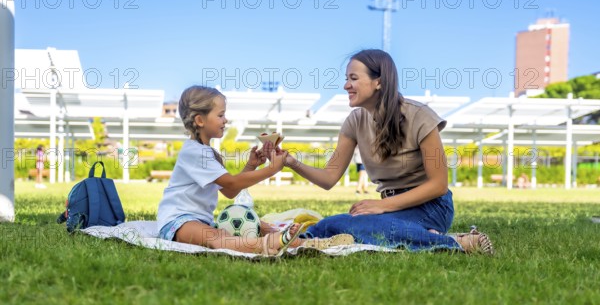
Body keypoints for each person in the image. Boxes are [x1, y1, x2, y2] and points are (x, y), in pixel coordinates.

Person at [268, 49, 493, 254]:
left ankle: (458, 243)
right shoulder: (354, 122)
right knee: (338, 224)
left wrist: (381, 205)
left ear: (379, 82)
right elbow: (329, 178)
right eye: (346, 79)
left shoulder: (420, 116)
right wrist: (291, 162)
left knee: (343, 225)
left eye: (353, 78)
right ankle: (425, 238)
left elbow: (438, 184)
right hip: (391, 210)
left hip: (432, 207)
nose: (346, 85)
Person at [157, 85, 352, 256]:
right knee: (218, 238)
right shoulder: (194, 152)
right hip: (177, 221)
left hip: (200, 221)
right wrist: (271, 169)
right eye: (220, 115)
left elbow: (230, 191)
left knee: (256, 224)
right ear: (200, 120)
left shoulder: (210, 154)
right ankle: (277, 244)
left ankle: (298, 240)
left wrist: (252, 165)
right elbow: (232, 183)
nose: (226, 120)